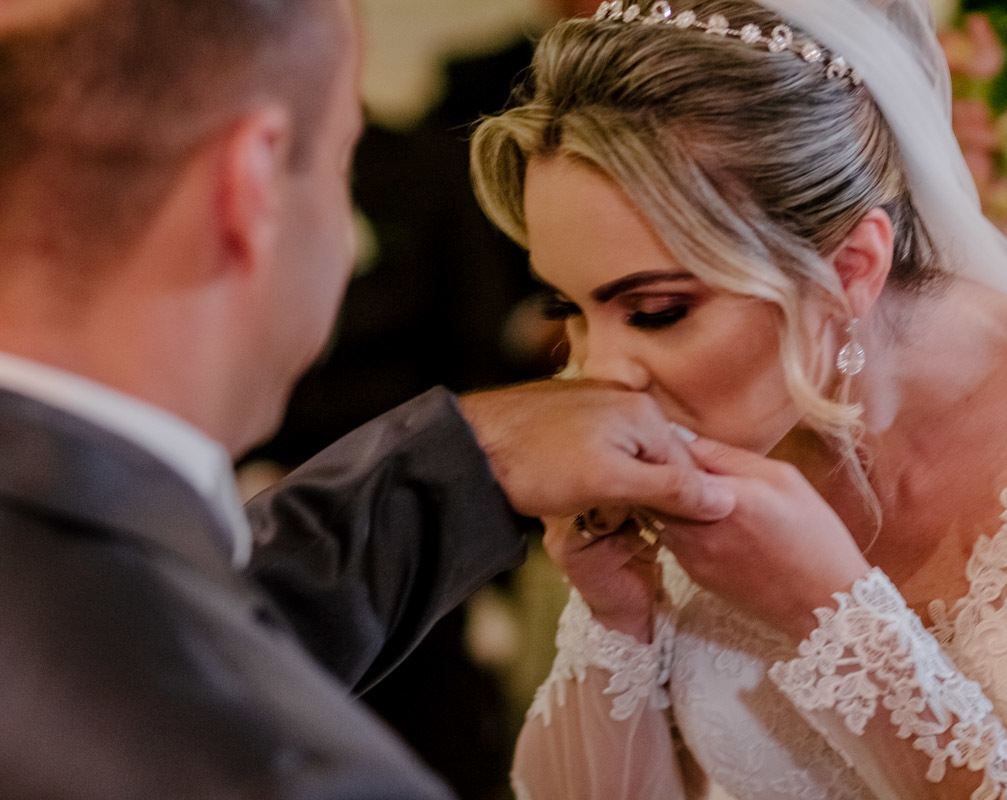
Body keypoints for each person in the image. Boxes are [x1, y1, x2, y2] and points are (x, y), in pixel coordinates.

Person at [0, 1, 739, 798]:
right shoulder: (299, 778)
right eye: (341, 160)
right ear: (252, 184)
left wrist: (465, 458)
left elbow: (129, 633)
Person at [469, 0, 1007, 797]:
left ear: (851, 269)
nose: (597, 374)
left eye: (657, 312)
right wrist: (620, 616)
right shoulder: (695, 442)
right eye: (570, 311)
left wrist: (826, 611)